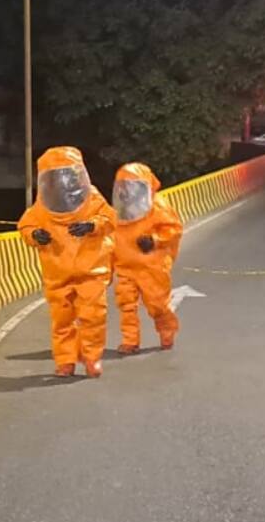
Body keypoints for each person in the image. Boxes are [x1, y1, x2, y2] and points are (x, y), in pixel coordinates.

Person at [18, 146, 116, 378]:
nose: (62, 180)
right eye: (56, 175)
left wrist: (92, 225)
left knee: (93, 318)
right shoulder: (41, 206)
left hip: (91, 271)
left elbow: (109, 218)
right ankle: (65, 361)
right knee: (62, 321)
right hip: (57, 274)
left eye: (67, 173)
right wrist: (34, 235)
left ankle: (92, 359)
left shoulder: (92, 198)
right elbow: (25, 226)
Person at [111, 162, 184, 355]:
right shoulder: (118, 210)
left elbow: (174, 229)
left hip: (152, 265)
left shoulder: (157, 205)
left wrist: (154, 240)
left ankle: (167, 332)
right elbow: (110, 237)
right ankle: (130, 341)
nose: (128, 190)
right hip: (125, 266)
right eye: (124, 185)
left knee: (158, 305)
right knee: (126, 305)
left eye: (132, 185)